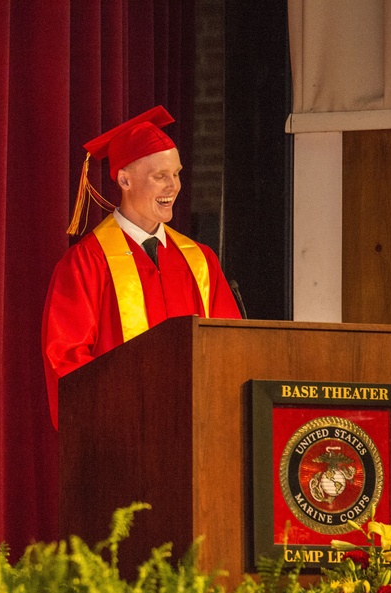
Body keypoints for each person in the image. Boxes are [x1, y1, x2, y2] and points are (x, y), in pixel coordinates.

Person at [42, 106, 243, 429]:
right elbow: (66, 361)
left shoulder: (200, 260)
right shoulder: (87, 261)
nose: (173, 186)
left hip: (199, 431)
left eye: (176, 174)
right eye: (160, 176)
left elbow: (231, 347)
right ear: (124, 179)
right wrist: (129, 408)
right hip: (121, 437)